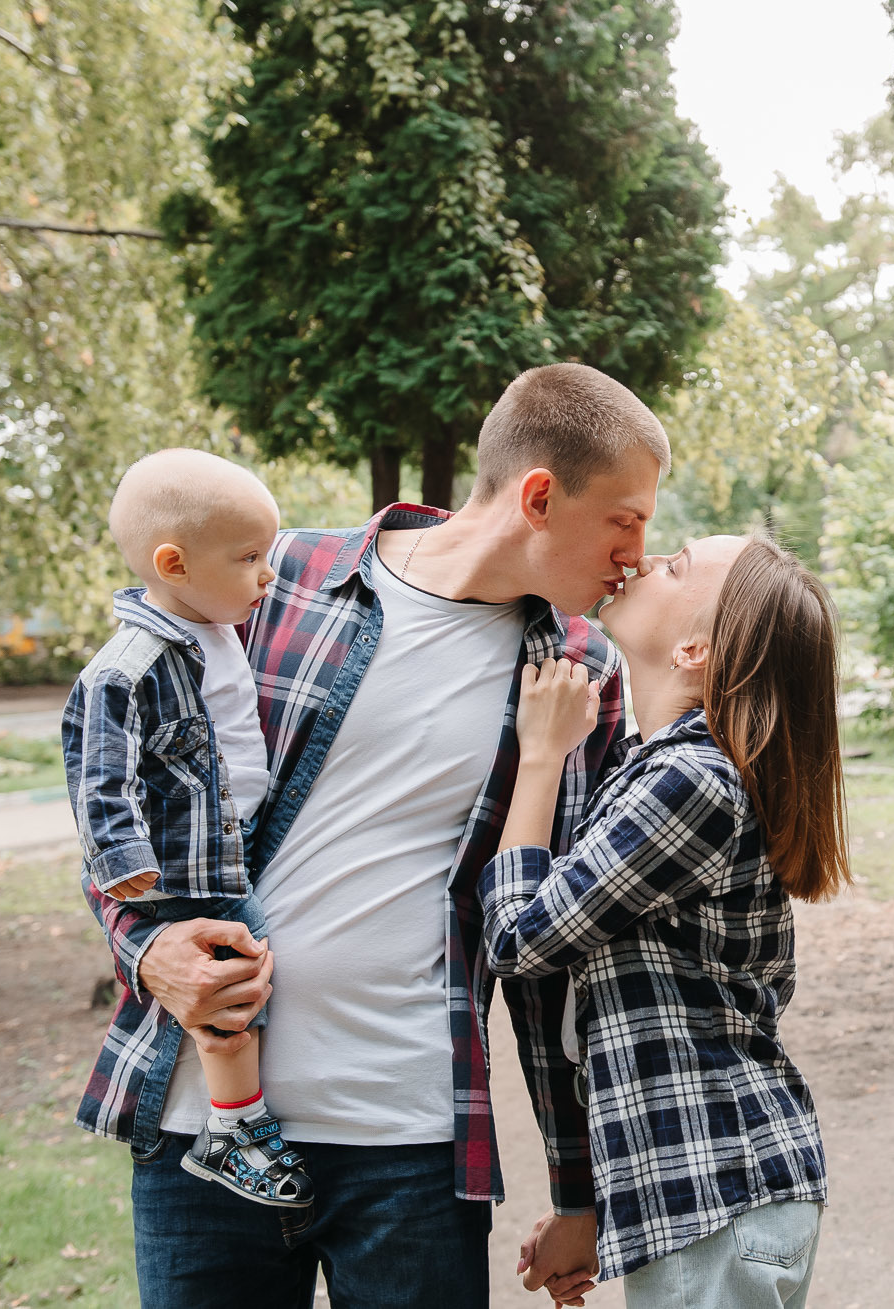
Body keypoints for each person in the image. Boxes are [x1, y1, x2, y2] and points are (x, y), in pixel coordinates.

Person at [75, 364, 668, 1308]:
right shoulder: (274, 577)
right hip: (204, 1127)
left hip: (411, 1147)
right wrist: (147, 953)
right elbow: (118, 787)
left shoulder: (577, 669)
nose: (637, 554)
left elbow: (550, 943)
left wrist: (576, 1187)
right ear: (540, 497)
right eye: (624, 520)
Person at [481, 534, 850, 1309]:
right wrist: (592, 1207)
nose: (644, 560)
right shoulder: (662, 768)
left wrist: (541, 755)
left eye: (675, 565)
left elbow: (520, 940)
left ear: (693, 649)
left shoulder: (693, 778)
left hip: (719, 1202)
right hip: (718, 1200)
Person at [63, 449, 313, 1210]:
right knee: (240, 980)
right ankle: (234, 1126)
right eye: (249, 558)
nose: (267, 576)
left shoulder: (216, 626)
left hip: (232, 843)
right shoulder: (128, 667)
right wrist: (121, 859)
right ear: (174, 564)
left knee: (244, 977)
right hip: (183, 864)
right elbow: (99, 773)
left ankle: (233, 1118)